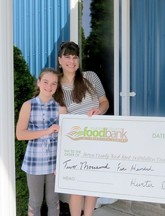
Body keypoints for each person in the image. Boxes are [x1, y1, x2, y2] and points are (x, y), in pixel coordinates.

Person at [54, 41, 109, 216]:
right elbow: (58, 117)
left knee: (92, 183)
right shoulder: (56, 86)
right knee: (76, 186)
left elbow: (104, 101)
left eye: (75, 57)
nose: (72, 61)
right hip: (74, 141)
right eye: (67, 57)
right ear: (60, 60)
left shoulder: (90, 77)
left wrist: (100, 111)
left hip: (96, 137)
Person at [16, 68, 67, 216]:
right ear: (38, 83)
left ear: (57, 86)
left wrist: (62, 162)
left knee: (53, 200)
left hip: (54, 162)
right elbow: (20, 134)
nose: (49, 87)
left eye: (53, 83)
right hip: (34, 161)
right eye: (45, 82)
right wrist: (47, 131)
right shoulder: (28, 105)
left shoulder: (61, 108)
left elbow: (65, 139)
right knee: (35, 202)